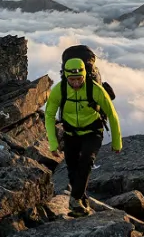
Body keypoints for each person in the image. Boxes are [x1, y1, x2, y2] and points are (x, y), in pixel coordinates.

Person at [45, 57, 122, 216]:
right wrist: (53, 144)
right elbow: (49, 115)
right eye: (71, 79)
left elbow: (112, 115)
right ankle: (81, 207)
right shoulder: (60, 90)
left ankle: (75, 198)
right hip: (71, 134)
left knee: (87, 160)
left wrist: (116, 142)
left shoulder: (95, 89)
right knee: (73, 170)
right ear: (66, 76)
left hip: (93, 132)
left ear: (85, 75)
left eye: (79, 79)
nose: (75, 83)